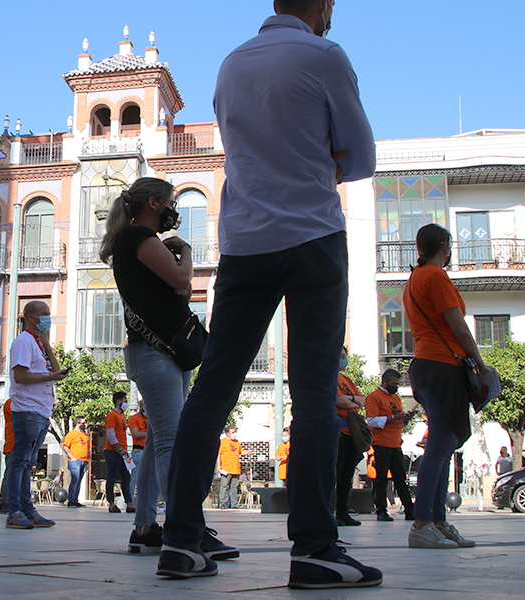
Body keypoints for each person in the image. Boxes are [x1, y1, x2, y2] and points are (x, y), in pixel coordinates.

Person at [158, 0, 378, 587]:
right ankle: (313, 548)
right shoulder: (326, 55)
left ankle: (179, 539)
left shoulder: (231, 65)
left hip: (245, 242)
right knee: (312, 392)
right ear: (324, 4)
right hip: (313, 236)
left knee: (211, 392)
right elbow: (361, 157)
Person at [100, 176, 235, 557]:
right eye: (171, 201)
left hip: (166, 353)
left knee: (161, 438)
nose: (173, 208)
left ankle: (145, 526)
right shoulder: (138, 239)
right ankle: (185, 527)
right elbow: (181, 278)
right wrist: (187, 251)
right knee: (173, 442)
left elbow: (180, 290)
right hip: (156, 353)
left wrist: (181, 262)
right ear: (155, 204)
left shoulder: (142, 242)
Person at [403, 223, 484, 551]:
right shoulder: (435, 276)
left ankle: (437, 521)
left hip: (427, 365)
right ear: (444, 246)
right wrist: (479, 362)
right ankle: (423, 523)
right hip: (442, 366)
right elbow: (459, 327)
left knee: (445, 442)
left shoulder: (414, 279)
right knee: (440, 445)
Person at [6, 300, 68, 529]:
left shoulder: (38, 343)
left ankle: (27, 510)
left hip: (40, 411)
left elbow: (57, 372)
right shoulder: (23, 342)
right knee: (20, 461)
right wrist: (50, 378)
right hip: (28, 410)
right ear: (31, 317)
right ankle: (14, 511)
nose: (49, 318)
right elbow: (20, 377)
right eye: (46, 314)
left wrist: (49, 348)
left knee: (27, 462)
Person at [365, 369, 415, 521]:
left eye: (398, 384)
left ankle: (410, 509)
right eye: (393, 384)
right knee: (381, 479)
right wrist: (392, 418)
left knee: (400, 477)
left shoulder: (396, 398)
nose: (396, 386)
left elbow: (400, 423)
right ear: (385, 382)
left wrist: (405, 419)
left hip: (395, 443)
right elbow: (372, 420)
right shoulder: (374, 397)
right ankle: (381, 510)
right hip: (381, 444)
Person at [334, 347, 367, 526]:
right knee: (335, 473)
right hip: (338, 430)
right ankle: (331, 511)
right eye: (341, 357)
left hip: (351, 432)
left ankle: (343, 512)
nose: (344, 360)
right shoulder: (329, 377)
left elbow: (362, 400)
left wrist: (351, 399)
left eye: (345, 357)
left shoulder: (346, 380)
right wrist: (353, 400)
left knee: (347, 475)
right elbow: (340, 401)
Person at [104, 391, 135, 513]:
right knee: (112, 477)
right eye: (125, 401)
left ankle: (129, 502)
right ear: (118, 402)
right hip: (113, 451)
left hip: (122, 452)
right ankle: (111, 503)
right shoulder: (112, 415)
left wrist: (123, 451)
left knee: (126, 477)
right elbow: (110, 434)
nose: (126, 404)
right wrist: (119, 449)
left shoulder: (122, 416)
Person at [218, 427, 256, 509]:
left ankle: (234, 504)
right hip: (226, 468)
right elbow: (219, 455)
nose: (234, 434)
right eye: (232, 432)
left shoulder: (237, 442)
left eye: (235, 432)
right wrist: (219, 467)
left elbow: (242, 452)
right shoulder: (223, 442)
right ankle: (223, 504)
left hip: (236, 468)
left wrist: (249, 452)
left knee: (234, 487)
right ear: (227, 434)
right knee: (224, 486)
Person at [62, 417, 90, 508]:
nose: (84, 425)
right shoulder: (71, 434)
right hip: (75, 461)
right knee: (75, 480)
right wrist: (72, 457)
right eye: (83, 423)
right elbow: (65, 446)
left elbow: (88, 448)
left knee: (79, 481)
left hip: (84, 461)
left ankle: (75, 500)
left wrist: (88, 459)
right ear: (77, 423)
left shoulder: (85, 435)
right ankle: (71, 501)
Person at [127, 401, 148, 501]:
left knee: (148, 479)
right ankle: (130, 501)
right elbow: (136, 434)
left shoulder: (150, 419)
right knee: (135, 478)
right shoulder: (134, 419)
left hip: (150, 451)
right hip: (139, 451)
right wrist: (150, 434)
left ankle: (146, 502)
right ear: (141, 407)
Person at [0, 398, 14, 513]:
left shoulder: (12, 402)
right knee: (11, 473)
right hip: (14, 443)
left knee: (14, 473)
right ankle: (5, 502)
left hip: (14, 443)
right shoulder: (13, 402)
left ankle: (7, 502)